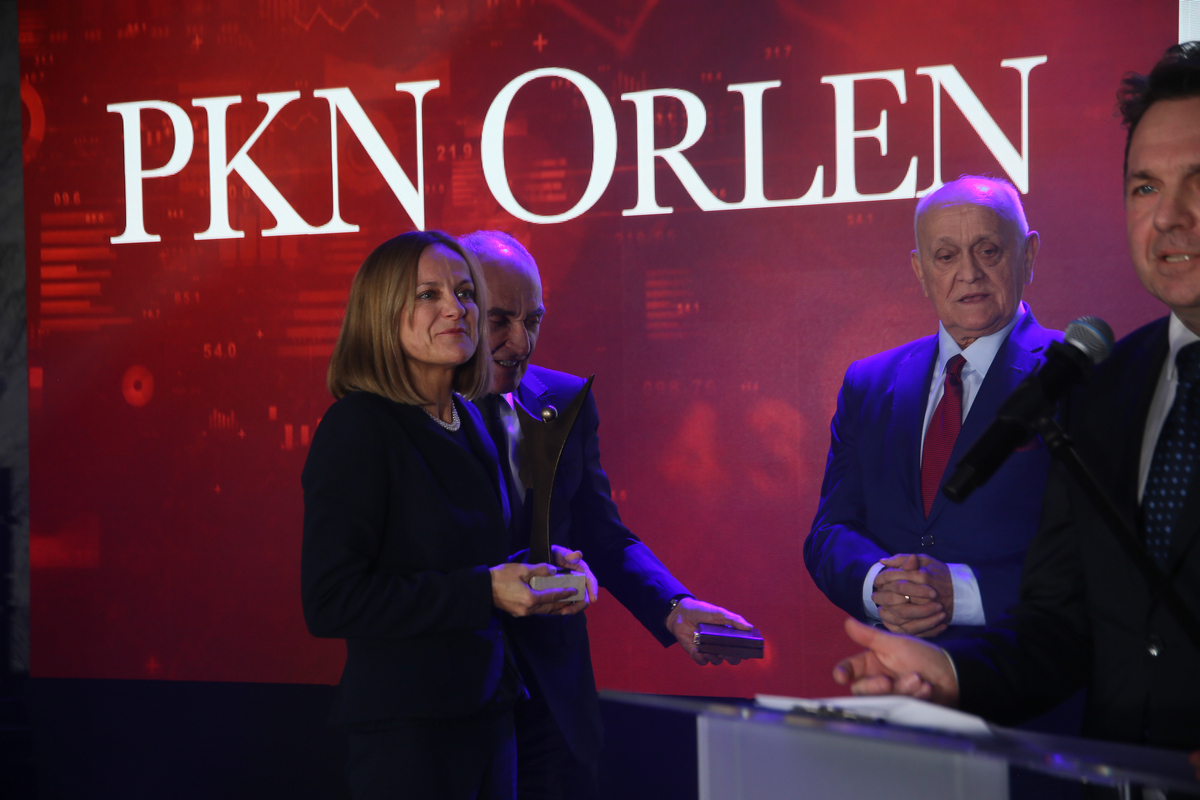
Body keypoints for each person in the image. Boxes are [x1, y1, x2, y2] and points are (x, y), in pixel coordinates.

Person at [832, 42, 1200, 773]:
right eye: (1144, 187)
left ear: (1028, 254)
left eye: (1199, 180)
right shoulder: (1111, 383)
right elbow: (1067, 622)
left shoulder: (1071, 374)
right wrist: (952, 675)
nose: (1169, 216)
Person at [459, 230, 753, 800]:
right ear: (458, 307)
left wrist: (674, 607)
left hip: (555, 707)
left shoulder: (564, 398)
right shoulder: (406, 418)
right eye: (500, 321)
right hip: (449, 707)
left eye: (534, 320)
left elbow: (600, 533)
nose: (522, 342)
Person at [300, 230, 587, 800]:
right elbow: (331, 600)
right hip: (409, 736)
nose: (457, 309)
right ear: (383, 314)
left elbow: (464, 561)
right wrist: (486, 590)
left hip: (490, 713)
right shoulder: (358, 427)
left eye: (465, 292)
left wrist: (538, 566)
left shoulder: (467, 416)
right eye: (428, 294)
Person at [805, 176, 1058, 639]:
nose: (969, 273)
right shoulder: (868, 383)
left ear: (1028, 255)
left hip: (1029, 668)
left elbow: (1101, 552)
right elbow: (831, 531)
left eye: (988, 250)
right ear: (921, 271)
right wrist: (879, 584)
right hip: (896, 670)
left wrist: (961, 594)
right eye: (946, 256)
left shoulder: (1081, 375)